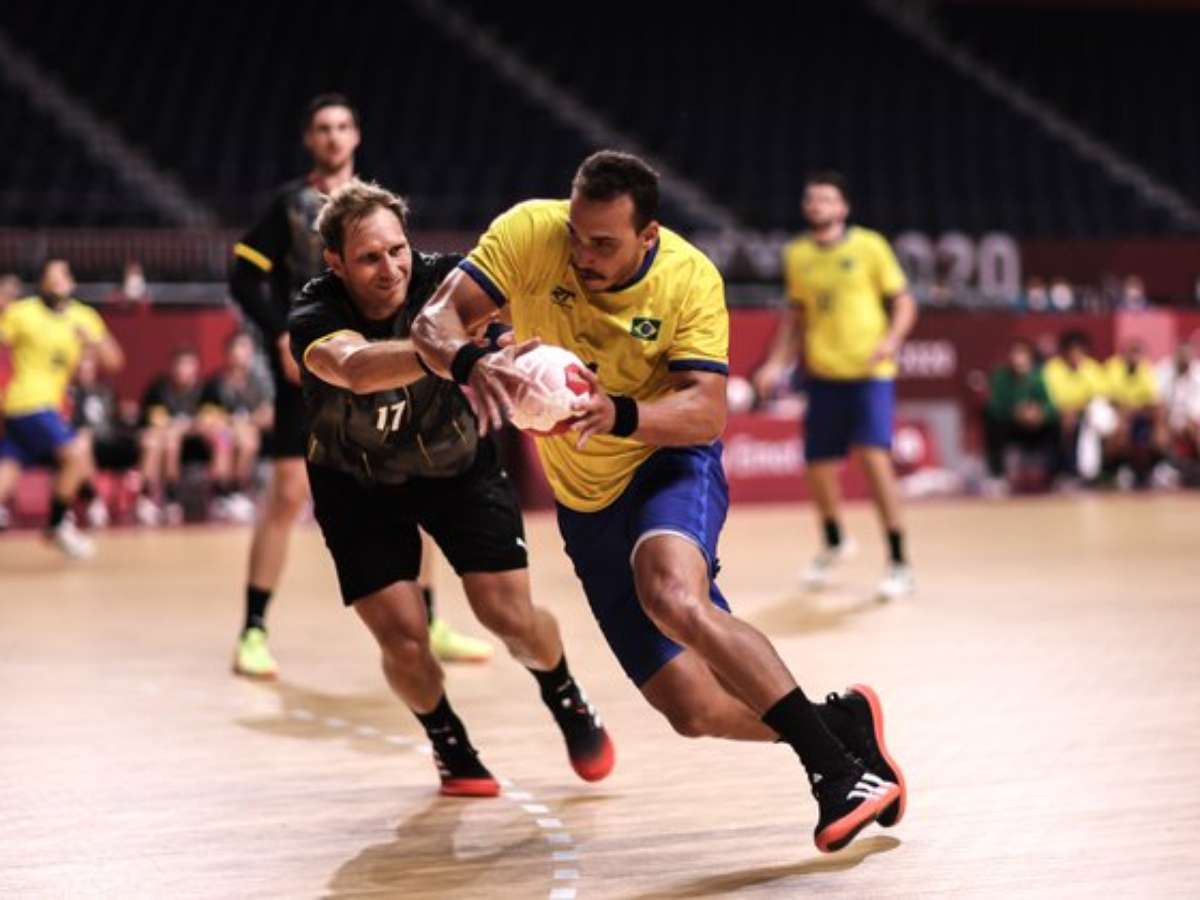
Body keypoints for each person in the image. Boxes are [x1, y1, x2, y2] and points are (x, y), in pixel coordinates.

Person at [413, 151, 905, 853]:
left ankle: (835, 774)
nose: (582, 254)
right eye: (577, 235)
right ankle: (842, 725)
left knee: (671, 595)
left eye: (604, 243)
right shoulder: (530, 232)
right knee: (692, 708)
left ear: (648, 236)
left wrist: (618, 415)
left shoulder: (688, 276)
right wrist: (472, 360)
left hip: (664, 459)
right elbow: (433, 324)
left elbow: (706, 413)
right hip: (584, 501)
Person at [288, 178, 613, 795]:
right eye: (368, 258)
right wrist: (453, 354)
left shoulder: (447, 282)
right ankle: (448, 742)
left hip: (454, 465)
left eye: (397, 250)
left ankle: (563, 690)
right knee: (405, 637)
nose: (390, 269)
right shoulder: (314, 311)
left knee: (508, 615)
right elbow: (355, 370)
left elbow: (507, 323)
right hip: (354, 483)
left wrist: (516, 353)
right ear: (336, 263)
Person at [228, 93, 487, 678]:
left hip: (383, 361)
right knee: (289, 493)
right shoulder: (290, 205)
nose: (334, 136)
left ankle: (429, 620)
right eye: (323, 127)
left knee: (419, 479)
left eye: (343, 126)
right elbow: (243, 276)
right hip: (315, 364)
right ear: (309, 139)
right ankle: (252, 629)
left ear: (357, 136)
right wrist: (276, 334)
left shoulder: (374, 207)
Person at [753, 172, 918, 601]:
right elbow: (796, 318)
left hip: (869, 374)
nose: (816, 205)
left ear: (843, 208)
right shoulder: (798, 255)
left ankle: (899, 560)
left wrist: (891, 341)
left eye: (826, 199)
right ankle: (834, 541)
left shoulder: (869, 247)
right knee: (817, 467)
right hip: (823, 376)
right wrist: (775, 363)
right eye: (811, 199)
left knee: (873, 458)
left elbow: (903, 302)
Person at [0, 259, 123, 557]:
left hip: (49, 407)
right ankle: (56, 526)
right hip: (27, 402)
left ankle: (57, 526)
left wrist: (92, 343)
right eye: (50, 277)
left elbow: (115, 361)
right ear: (41, 283)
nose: (57, 281)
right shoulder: (22, 313)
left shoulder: (84, 317)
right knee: (77, 455)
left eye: (63, 275)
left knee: (9, 469)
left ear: (72, 282)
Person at [197, 330, 272, 523]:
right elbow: (207, 417)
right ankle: (221, 494)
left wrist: (245, 423)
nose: (244, 353)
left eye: (248, 348)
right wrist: (231, 424)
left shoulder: (258, 384)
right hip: (222, 434)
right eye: (239, 347)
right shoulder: (216, 384)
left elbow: (268, 414)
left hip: (251, 432)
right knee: (224, 439)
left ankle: (238, 491)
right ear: (228, 352)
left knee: (247, 440)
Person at [68, 350, 144, 526]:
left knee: (145, 441)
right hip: (80, 445)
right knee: (82, 441)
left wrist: (126, 414)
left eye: (89, 369)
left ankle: (144, 498)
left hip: (109, 440)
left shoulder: (105, 391)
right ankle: (94, 499)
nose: (85, 373)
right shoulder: (68, 393)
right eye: (81, 369)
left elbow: (115, 419)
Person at [981, 338, 1059, 495]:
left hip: (1034, 427)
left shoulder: (1038, 378)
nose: (1017, 360)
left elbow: (1051, 406)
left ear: (1029, 358)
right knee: (992, 423)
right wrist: (1015, 412)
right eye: (1014, 355)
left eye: (1021, 355)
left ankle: (1057, 475)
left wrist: (1040, 413)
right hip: (1010, 427)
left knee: (1057, 424)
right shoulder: (1001, 376)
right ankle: (997, 476)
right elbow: (994, 406)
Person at [139, 346, 207, 522]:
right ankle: (148, 497)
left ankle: (226, 492)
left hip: (197, 444)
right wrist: (177, 427)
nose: (182, 369)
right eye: (179, 364)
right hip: (164, 440)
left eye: (187, 364)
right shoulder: (159, 389)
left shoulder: (204, 391)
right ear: (172, 366)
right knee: (163, 441)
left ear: (196, 367)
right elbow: (156, 420)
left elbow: (209, 420)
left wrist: (187, 427)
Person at [1042, 330, 1108, 480]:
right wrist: (1065, 412)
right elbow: (1049, 399)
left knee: (1098, 420)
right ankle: (1063, 472)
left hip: (1084, 416)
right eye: (1072, 352)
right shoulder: (1052, 369)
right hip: (1057, 415)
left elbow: (1099, 398)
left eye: (1080, 352)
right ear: (1065, 352)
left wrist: (1076, 410)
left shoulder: (1092, 368)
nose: (1076, 356)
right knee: (1062, 425)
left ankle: (1095, 472)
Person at [1103, 340, 1164, 486]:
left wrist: (1134, 411)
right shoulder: (1113, 367)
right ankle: (1113, 471)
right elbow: (1109, 398)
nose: (1134, 357)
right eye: (1131, 352)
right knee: (1120, 430)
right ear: (1124, 354)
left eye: (1138, 353)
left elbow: (1153, 402)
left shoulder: (1146, 370)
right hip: (1114, 413)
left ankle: (1153, 470)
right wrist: (1124, 412)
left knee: (1159, 430)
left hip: (1137, 414)